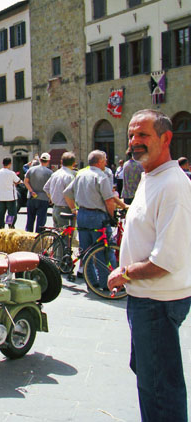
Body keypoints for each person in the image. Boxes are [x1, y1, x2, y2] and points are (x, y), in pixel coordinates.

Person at [107, 109, 191, 422]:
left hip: (157, 302)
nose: (134, 142)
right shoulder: (150, 175)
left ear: (166, 138)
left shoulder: (172, 184)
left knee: (160, 390)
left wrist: (123, 273)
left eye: (143, 135)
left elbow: (166, 259)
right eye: (131, 135)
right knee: (151, 378)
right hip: (148, 299)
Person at [63, 150, 116, 288]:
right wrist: (112, 216)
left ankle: (91, 282)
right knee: (103, 251)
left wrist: (74, 209)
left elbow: (67, 193)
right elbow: (109, 200)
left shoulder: (81, 175)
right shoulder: (101, 176)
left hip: (82, 215)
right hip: (97, 215)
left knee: (85, 251)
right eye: (104, 160)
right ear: (99, 162)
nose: (106, 162)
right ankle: (106, 283)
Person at [43, 151, 76, 228]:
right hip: (66, 209)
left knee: (58, 235)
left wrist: (52, 198)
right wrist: (73, 209)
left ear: (61, 162)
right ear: (74, 163)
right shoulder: (69, 176)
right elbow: (68, 194)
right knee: (66, 237)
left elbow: (46, 188)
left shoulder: (55, 174)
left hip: (55, 208)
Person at [24, 152, 53, 233]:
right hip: (43, 198)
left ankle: (28, 236)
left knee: (30, 219)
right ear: (48, 161)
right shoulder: (50, 173)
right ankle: (39, 238)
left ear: (40, 160)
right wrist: (50, 198)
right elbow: (50, 187)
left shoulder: (31, 169)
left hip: (32, 197)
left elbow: (26, 182)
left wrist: (31, 191)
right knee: (41, 221)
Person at [0, 157, 21, 229]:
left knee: (1, 213)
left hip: (1, 196)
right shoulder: (11, 173)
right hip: (10, 196)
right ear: (10, 164)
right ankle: (10, 225)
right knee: (11, 213)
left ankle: (0, 227)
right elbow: (18, 181)